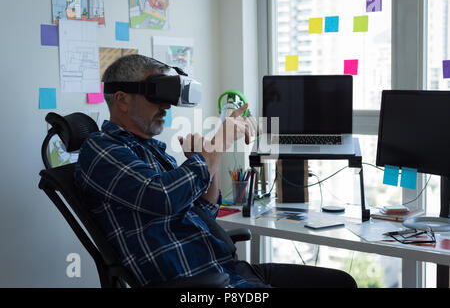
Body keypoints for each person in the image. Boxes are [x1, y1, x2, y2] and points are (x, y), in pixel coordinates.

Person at [74, 54, 357, 288]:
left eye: (167, 95)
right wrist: (220, 141)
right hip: (201, 285)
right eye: (155, 95)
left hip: (227, 271)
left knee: (340, 283)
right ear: (121, 100)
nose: (165, 105)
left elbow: (204, 211)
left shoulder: (150, 150)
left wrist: (209, 153)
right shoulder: (101, 150)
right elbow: (163, 198)